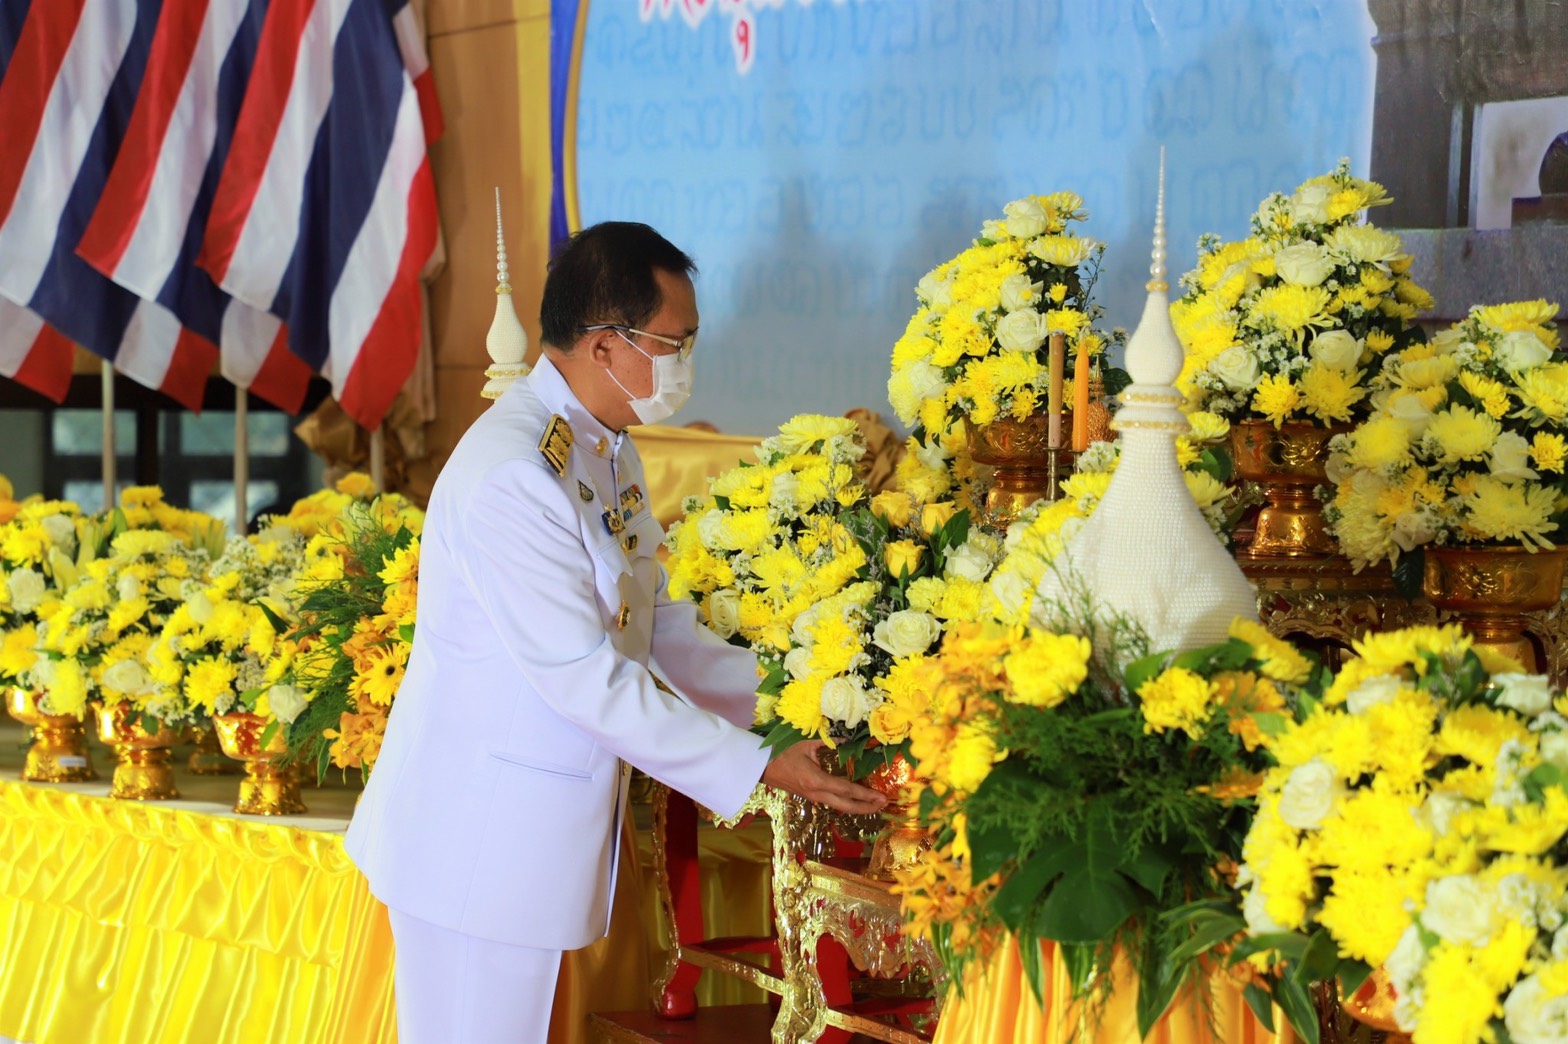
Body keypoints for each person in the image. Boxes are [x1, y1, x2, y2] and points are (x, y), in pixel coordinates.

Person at [344, 221, 886, 1043]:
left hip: (516, 844)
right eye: (676, 343)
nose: (685, 365)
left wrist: (794, 705)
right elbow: (584, 678)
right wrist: (759, 764)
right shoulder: (515, 475)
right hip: (476, 847)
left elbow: (655, 624)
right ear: (605, 345)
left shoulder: (602, 451)